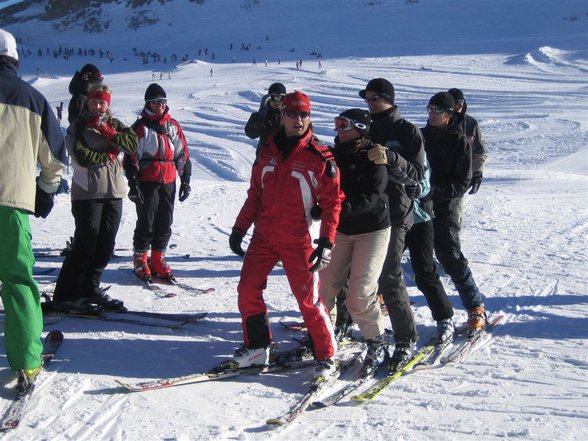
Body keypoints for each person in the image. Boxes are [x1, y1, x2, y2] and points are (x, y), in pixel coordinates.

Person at [229, 91, 343, 379]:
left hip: (299, 239)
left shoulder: (320, 157)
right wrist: (239, 228)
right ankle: (257, 346)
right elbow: (255, 194)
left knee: (308, 301)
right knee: (247, 289)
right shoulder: (266, 151)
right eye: (293, 114)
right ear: (282, 116)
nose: (299, 120)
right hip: (264, 238)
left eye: (304, 114)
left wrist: (326, 242)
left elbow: (332, 203)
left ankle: (327, 356)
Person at [0, 28, 66, 388]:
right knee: (17, 282)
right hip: (11, 203)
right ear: (14, 59)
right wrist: (44, 191)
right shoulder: (33, 99)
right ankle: (26, 361)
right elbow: (55, 158)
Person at [53, 84, 138, 312]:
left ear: (108, 105)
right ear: (88, 102)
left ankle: (90, 287)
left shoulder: (114, 124)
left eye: (102, 103)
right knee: (85, 242)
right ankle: (66, 292)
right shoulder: (78, 126)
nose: (98, 106)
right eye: (94, 102)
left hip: (114, 192)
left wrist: (109, 133)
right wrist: (110, 152)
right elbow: (81, 156)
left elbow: (132, 144)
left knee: (105, 244)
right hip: (87, 193)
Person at [318, 109, 391, 377]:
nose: (338, 129)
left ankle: (376, 342)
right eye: (336, 123)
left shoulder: (374, 156)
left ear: (360, 128)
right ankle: (327, 334)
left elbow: (373, 196)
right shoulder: (332, 155)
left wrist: (334, 209)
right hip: (341, 230)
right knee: (325, 287)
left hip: (372, 229)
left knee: (360, 293)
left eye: (343, 125)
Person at [360, 78, 425, 365]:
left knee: (388, 274)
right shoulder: (364, 126)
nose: (370, 102)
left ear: (388, 98)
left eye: (375, 97)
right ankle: (356, 329)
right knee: (355, 274)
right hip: (365, 211)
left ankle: (406, 338)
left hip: (396, 212)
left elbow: (417, 175)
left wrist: (391, 159)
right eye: (367, 98)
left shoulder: (406, 130)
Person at [421, 92, 486, 330]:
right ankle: (382, 297)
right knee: (395, 254)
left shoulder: (460, 142)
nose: (432, 114)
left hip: (444, 207)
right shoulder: (420, 135)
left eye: (437, 111)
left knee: (450, 256)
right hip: (418, 206)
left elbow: (461, 183)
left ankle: (475, 307)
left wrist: (432, 191)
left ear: (450, 114)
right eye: (430, 109)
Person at [124, 83, 191, 280]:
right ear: (148, 104)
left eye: (163, 102)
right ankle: (140, 257)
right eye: (156, 102)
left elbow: (182, 154)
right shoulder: (141, 128)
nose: (160, 105)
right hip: (147, 180)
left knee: (165, 220)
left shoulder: (173, 126)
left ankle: (158, 257)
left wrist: (185, 178)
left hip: (168, 179)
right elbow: (131, 156)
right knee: (147, 220)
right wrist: (133, 182)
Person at [404, 159, 455, 343]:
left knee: (424, 270)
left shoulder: (414, 145)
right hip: (393, 220)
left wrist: (418, 189)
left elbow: (425, 180)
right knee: (379, 269)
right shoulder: (381, 140)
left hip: (419, 219)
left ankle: (444, 317)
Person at [448, 88, 488, 195]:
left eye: (458, 105)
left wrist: (477, 174)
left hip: (461, 177)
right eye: (452, 106)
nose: (455, 109)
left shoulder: (471, 124)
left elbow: (479, 152)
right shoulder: (439, 122)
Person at [244, 82, 286, 157]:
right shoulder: (262, 114)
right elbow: (251, 134)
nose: (277, 101)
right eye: (273, 97)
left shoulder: (289, 115)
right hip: (264, 156)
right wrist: (261, 118)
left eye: (280, 98)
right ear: (269, 98)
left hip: (283, 156)